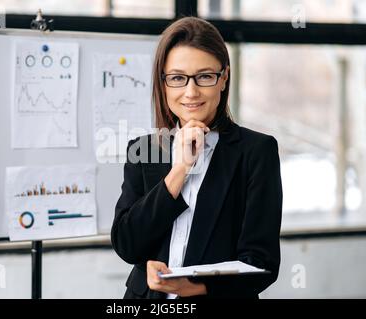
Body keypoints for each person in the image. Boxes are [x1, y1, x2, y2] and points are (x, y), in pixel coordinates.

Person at [111, 16, 283, 299]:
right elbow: (128, 245)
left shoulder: (256, 152)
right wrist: (180, 169)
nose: (191, 92)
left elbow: (262, 263)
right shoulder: (142, 150)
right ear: (163, 83)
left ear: (223, 77)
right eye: (178, 78)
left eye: (204, 76)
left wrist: (196, 287)